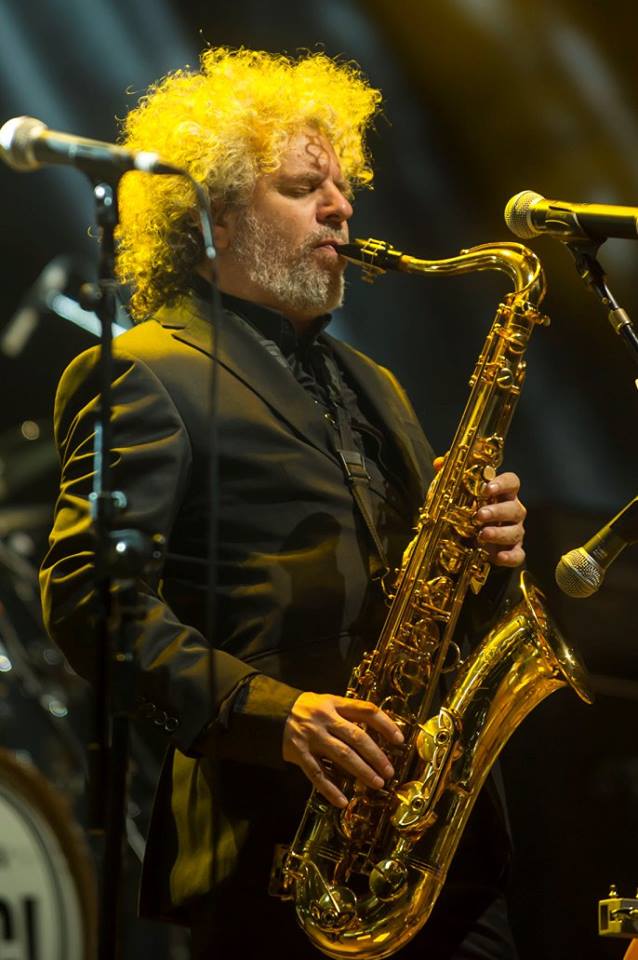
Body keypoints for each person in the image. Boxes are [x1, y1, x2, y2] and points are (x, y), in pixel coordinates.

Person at [40, 48, 526, 958]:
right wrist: (277, 713)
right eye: (304, 189)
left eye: (341, 186)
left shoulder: (375, 382)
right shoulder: (143, 370)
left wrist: (488, 556)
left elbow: (435, 609)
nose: (341, 207)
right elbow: (90, 603)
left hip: (438, 853)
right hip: (273, 851)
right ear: (216, 216)